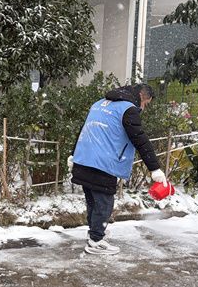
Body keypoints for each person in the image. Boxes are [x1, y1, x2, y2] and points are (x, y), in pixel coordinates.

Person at [68, 84, 167, 255]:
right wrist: (155, 168)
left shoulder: (99, 104)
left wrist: (73, 154)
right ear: (141, 96)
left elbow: (84, 129)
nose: (144, 108)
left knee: (93, 201)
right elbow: (140, 139)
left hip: (84, 159)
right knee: (104, 203)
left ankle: (95, 233)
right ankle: (96, 241)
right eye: (146, 104)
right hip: (103, 162)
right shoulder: (128, 109)